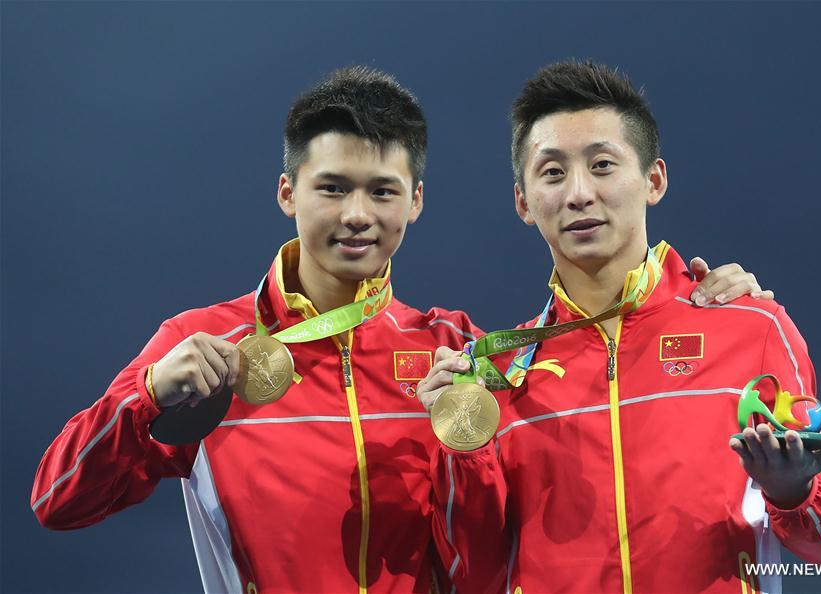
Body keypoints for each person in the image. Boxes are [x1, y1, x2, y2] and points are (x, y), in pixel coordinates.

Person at [32, 65, 770, 594]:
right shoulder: (205, 347)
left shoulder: (457, 352)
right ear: (288, 192)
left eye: (382, 191)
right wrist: (145, 403)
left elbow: (507, 551)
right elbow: (58, 502)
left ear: (414, 202)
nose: (357, 215)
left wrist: (690, 295)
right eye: (332, 188)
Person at [417, 61, 821, 594]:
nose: (579, 193)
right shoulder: (496, 376)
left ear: (654, 180)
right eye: (553, 172)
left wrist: (793, 493)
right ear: (523, 202)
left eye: (603, 165)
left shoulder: (751, 327)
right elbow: (475, 575)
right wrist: (461, 446)